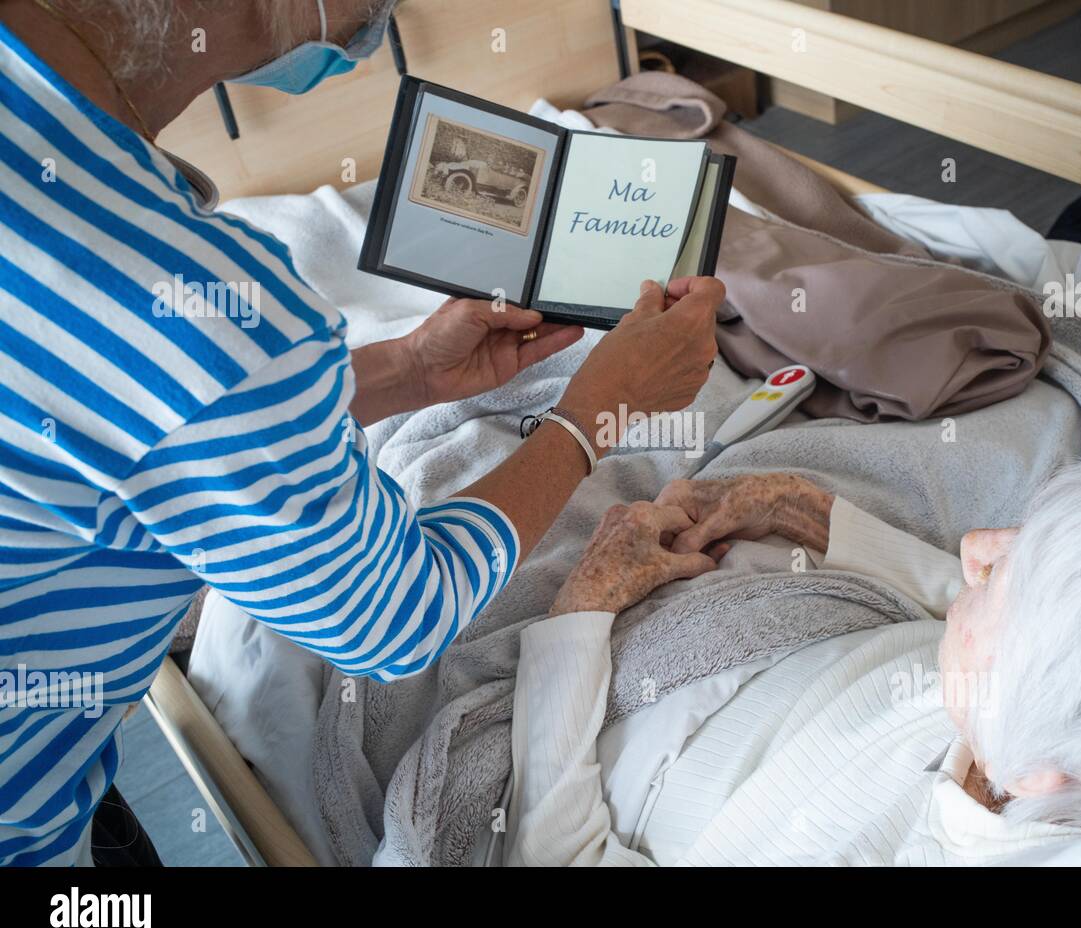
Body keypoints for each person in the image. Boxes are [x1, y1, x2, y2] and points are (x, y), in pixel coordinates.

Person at [0, 0, 721, 865]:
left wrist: (405, 371)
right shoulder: (192, 306)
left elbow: (123, 427)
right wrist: (595, 412)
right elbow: (395, 614)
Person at [505, 465, 1081, 866]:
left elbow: (559, 854)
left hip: (628, 727)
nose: (977, 551)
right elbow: (1048, 640)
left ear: (1036, 772)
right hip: (808, 633)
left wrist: (581, 609)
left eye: (1003, 585)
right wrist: (819, 518)